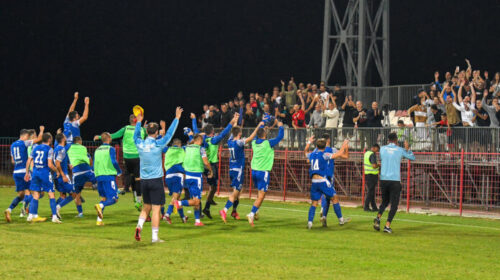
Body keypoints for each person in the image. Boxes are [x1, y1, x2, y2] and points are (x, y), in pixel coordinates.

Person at [134, 107, 181, 242]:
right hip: (156, 181)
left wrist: (138, 122)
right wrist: (176, 118)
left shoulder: (140, 144)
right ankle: (154, 237)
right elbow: (169, 134)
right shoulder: (158, 144)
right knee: (156, 209)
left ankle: (139, 226)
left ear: (147, 132)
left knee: (145, 207)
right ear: (156, 133)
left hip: (144, 181)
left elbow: (136, 136)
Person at [191, 112, 238, 219]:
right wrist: (232, 122)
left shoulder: (201, 139)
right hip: (211, 165)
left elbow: (195, 131)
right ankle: (206, 206)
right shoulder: (213, 140)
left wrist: (194, 119)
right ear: (212, 131)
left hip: (201, 165)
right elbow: (224, 133)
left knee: (207, 187)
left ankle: (206, 206)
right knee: (213, 187)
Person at [94, 114, 146, 210]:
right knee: (138, 179)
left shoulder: (125, 129)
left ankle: (129, 191)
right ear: (136, 120)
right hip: (137, 157)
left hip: (127, 158)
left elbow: (113, 136)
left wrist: (99, 137)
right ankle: (138, 201)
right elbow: (148, 137)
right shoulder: (142, 130)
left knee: (131, 176)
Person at [219, 122, 263, 223]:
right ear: (239, 134)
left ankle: (234, 211)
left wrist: (235, 120)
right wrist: (258, 127)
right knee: (235, 193)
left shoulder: (230, 141)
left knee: (240, 190)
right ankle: (224, 210)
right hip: (238, 170)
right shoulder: (239, 142)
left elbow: (234, 131)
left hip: (232, 169)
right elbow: (250, 138)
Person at [373, 132, 415, 234]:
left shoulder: (382, 149)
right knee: (394, 204)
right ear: (396, 140)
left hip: (383, 179)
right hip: (394, 180)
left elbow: (382, 159)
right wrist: (408, 149)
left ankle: (378, 218)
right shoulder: (400, 150)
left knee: (385, 201)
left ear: (388, 140)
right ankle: (387, 226)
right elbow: (412, 158)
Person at [305, 134, 350, 227]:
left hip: (314, 182)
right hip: (323, 180)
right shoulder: (325, 154)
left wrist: (309, 142)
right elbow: (339, 154)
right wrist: (344, 144)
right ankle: (341, 220)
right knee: (335, 197)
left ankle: (310, 223)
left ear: (316, 146)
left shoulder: (312, 154)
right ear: (325, 146)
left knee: (314, 202)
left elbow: (305, 151)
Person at [246, 121, 284, 226]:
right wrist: (280, 126)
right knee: (262, 195)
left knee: (259, 193)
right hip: (263, 172)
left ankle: (256, 211)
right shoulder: (268, 143)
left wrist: (261, 124)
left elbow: (257, 135)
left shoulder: (254, 142)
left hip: (254, 171)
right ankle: (251, 213)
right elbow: (280, 137)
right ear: (265, 134)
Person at [4, 127, 43, 222]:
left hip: (16, 172)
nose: (29, 138)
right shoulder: (24, 143)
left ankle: (9, 210)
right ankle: (33, 215)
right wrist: (41, 130)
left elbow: (13, 161)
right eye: (28, 137)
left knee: (21, 195)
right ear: (25, 135)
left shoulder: (12, 145)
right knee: (37, 192)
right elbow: (38, 139)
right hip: (24, 172)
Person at [174, 134, 213, 227]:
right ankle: (178, 203)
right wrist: (211, 171)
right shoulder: (201, 149)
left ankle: (197, 221)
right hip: (196, 177)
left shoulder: (186, 147)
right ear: (200, 140)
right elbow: (206, 162)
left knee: (196, 199)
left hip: (187, 176)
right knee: (197, 201)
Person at [25, 132, 61, 223]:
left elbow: (29, 160)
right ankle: (54, 217)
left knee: (36, 194)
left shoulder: (35, 147)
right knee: (51, 194)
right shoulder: (49, 149)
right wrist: (57, 171)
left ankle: (30, 216)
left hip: (35, 173)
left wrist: (27, 172)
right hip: (45, 173)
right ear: (49, 140)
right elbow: (49, 164)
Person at [93, 132, 122, 226]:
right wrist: (119, 171)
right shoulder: (111, 149)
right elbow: (114, 161)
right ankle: (100, 205)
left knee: (104, 198)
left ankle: (99, 220)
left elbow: (94, 164)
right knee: (114, 198)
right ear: (109, 138)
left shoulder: (97, 150)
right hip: (108, 176)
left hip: (99, 176)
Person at [66, 136, 96, 218]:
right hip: (87, 170)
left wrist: (69, 164)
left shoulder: (69, 148)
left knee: (76, 195)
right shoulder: (83, 148)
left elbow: (66, 160)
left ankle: (80, 213)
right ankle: (114, 192)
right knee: (101, 181)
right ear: (79, 141)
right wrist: (90, 167)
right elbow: (90, 161)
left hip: (77, 173)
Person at [162, 138, 188, 224]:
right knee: (175, 197)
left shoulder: (168, 149)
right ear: (179, 144)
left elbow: (161, 145)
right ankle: (167, 214)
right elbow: (191, 145)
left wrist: (161, 136)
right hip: (177, 176)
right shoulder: (182, 149)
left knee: (177, 197)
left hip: (168, 176)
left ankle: (183, 217)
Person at [53, 133, 76, 220]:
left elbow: (58, 161)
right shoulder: (62, 149)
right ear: (63, 139)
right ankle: (57, 207)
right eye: (65, 136)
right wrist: (63, 175)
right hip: (62, 175)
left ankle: (54, 212)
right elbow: (57, 163)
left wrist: (68, 163)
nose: (66, 138)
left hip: (56, 175)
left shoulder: (56, 149)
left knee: (62, 195)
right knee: (74, 194)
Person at [363, 144, 380, 211]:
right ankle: (366, 206)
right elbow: (374, 166)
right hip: (372, 175)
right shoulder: (372, 154)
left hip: (367, 174)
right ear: (374, 148)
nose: (377, 151)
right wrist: (379, 164)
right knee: (371, 191)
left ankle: (374, 207)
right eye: (377, 149)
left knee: (372, 191)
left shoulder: (366, 153)